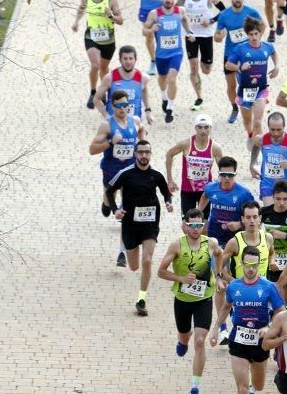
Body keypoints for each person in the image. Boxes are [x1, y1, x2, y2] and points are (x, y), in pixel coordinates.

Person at [208, 247, 285, 394]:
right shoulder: (234, 286)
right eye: (246, 265)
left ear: (259, 264)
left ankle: (254, 381)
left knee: (258, 386)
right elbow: (226, 307)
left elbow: (281, 313)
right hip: (238, 342)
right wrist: (216, 328)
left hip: (260, 343)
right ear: (241, 264)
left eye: (254, 265)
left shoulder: (269, 288)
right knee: (242, 390)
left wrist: (269, 328)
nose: (250, 269)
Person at [157, 208, 222, 394]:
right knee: (185, 336)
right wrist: (181, 278)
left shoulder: (210, 243)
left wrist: (218, 277)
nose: (195, 229)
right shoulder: (177, 245)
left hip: (204, 297)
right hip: (183, 299)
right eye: (192, 225)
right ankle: (183, 340)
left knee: (200, 341)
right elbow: (160, 271)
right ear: (184, 225)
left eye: (199, 225)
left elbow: (219, 255)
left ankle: (195, 389)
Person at [108, 140, 173, 316]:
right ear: (135, 154)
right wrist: (115, 210)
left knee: (147, 260)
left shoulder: (156, 175)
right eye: (141, 152)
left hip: (150, 223)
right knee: (135, 266)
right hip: (130, 224)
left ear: (151, 154)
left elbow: (166, 192)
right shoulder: (126, 173)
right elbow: (109, 190)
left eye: (147, 152)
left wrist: (168, 203)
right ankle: (127, 251)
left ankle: (141, 298)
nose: (144, 156)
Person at [89, 88, 144, 262]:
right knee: (109, 195)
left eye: (125, 105)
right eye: (119, 105)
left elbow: (142, 130)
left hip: (129, 170)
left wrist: (141, 145)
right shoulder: (107, 125)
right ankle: (106, 202)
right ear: (112, 106)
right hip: (111, 169)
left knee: (126, 210)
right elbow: (92, 149)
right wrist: (110, 142)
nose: (122, 108)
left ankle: (122, 252)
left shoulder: (134, 121)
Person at [225, 16, 279, 153]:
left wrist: (277, 66)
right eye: (251, 34)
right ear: (247, 34)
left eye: (256, 33)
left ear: (260, 33)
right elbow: (228, 64)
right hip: (245, 90)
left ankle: (260, 152)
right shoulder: (240, 49)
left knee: (258, 122)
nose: (254, 37)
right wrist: (239, 67)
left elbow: (274, 53)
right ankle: (250, 135)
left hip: (261, 89)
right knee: (248, 121)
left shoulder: (267, 46)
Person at [72, 0, 125, 110]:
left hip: (108, 39)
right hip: (92, 36)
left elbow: (120, 21)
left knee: (104, 68)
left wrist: (110, 16)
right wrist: (76, 22)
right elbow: (81, 9)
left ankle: (103, 92)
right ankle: (93, 92)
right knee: (95, 65)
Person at [214, 0, 263, 125]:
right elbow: (217, 36)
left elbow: (262, 25)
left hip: (247, 54)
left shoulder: (251, 12)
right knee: (231, 85)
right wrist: (219, 36)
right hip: (230, 55)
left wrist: (256, 40)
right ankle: (235, 107)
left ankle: (249, 108)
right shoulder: (224, 15)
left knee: (248, 82)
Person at [178, 0, 223, 110]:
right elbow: (172, 10)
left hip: (206, 35)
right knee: (194, 67)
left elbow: (224, 11)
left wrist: (211, 20)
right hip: (190, 35)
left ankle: (207, 65)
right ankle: (199, 97)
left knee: (206, 69)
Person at [142, 0, 186, 124]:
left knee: (172, 78)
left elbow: (185, 21)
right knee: (162, 79)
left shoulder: (181, 11)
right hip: (161, 54)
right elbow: (144, 30)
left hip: (176, 52)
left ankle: (170, 109)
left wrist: (189, 32)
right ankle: (164, 97)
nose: (168, 0)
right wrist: (151, 30)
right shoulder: (155, 14)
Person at [166, 115, 221, 216]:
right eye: (200, 127)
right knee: (187, 225)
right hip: (187, 190)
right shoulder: (186, 143)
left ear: (210, 128)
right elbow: (169, 154)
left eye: (206, 127)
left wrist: (217, 184)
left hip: (205, 192)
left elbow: (223, 169)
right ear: (195, 128)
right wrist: (170, 180)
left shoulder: (215, 147)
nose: (203, 131)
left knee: (204, 224)